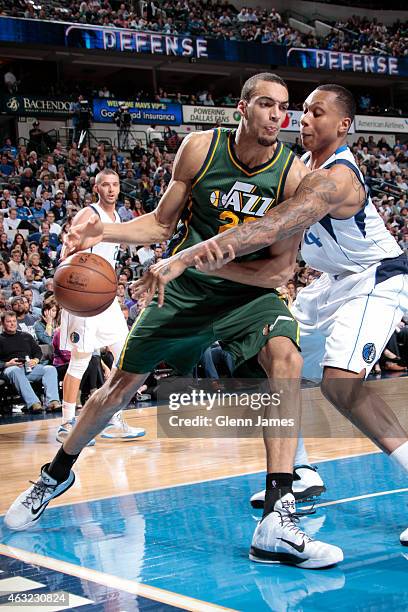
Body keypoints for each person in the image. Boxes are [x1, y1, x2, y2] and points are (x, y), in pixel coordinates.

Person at [5, 74, 343, 569]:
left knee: (285, 359)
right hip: (181, 291)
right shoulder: (200, 149)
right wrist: (107, 230)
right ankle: (54, 474)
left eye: (284, 108)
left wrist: (196, 259)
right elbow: (162, 224)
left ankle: (277, 512)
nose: (278, 116)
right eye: (267, 105)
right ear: (242, 108)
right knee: (118, 388)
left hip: (248, 291)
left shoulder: (291, 175)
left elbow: (280, 269)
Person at [142, 85, 408, 546]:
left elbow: (277, 224)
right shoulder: (300, 169)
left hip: (375, 277)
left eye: (316, 113)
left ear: (343, 126)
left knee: (341, 385)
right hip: (331, 284)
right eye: (302, 111)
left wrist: (190, 254)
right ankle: (299, 469)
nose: (303, 119)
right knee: (275, 362)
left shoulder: (336, 177)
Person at [56, 168, 146, 444]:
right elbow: (67, 245)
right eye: (105, 185)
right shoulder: (89, 213)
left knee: (124, 356)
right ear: (97, 188)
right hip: (83, 294)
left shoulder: (118, 216)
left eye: (115, 185)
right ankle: (67, 424)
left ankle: (111, 418)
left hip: (104, 297)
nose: (111, 189)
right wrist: (68, 263)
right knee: (81, 359)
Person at [0, 311, 60, 413]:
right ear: (2, 323)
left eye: (14, 321)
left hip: (28, 367)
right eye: (8, 321)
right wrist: (7, 363)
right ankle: (34, 403)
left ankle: (52, 402)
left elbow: (37, 352)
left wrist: (35, 360)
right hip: (9, 369)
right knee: (15, 370)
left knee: (50, 369)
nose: (12, 324)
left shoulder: (26, 336)